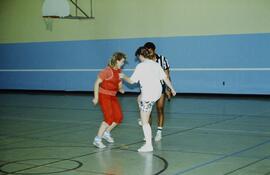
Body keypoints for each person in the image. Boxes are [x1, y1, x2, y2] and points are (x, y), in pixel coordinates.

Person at [121, 47, 176, 152]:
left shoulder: (140, 66)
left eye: (138, 57)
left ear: (141, 56)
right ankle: (142, 118)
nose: (139, 59)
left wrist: (123, 76)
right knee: (139, 98)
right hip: (157, 93)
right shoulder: (156, 64)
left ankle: (148, 145)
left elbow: (132, 81)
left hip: (149, 95)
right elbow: (165, 78)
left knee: (145, 122)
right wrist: (172, 89)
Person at [92, 52, 127, 148]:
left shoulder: (119, 71)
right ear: (117, 61)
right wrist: (96, 97)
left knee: (119, 117)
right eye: (122, 61)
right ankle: (97, 139)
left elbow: (119, 84)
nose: (123, 63)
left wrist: (121, 89)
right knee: (109, 118)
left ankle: (106, 133)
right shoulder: (107, 71)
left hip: (113, 96)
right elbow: (96, 83)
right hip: (104, 95)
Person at [143, 42, 172, 141]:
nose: (148, 52)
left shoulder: (163, 59)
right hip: (148, 88)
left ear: (154, 50)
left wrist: (169, 89)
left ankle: (159, 132)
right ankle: (148, 132)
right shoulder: (144, 61)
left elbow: (167, 75)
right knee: (148, 111)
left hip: (161, 87)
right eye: (146, 50)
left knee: (160, 108)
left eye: (149, 50)